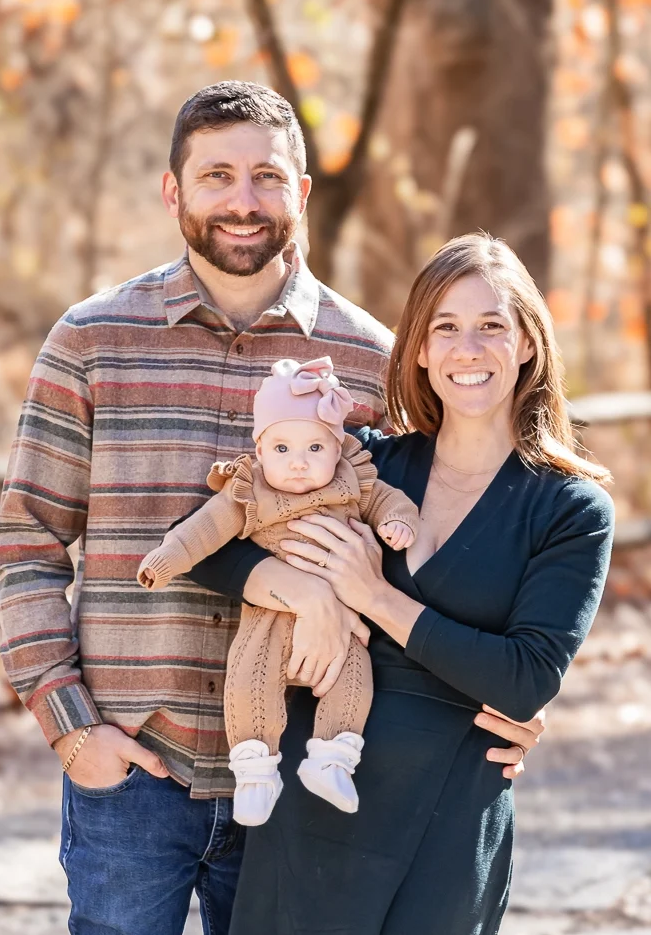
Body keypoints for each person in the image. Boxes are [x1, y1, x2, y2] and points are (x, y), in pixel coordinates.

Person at [0, 81, 543, 935]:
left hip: (307, 781)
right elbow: (25, 543)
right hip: (136, 771)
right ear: (174, 191)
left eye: (266, 177)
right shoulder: (92, 342)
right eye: (216, 176)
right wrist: (71, 725)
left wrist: (509, 694)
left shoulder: (373, 359)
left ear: (302, 191)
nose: (243, 202)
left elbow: (437, 543)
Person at [192, 233, 615, 935]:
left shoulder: (570, 508)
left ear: (529, 344)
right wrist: (301, 591)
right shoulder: (370, 468)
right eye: (444, 327)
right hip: (314, 802)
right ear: (418, 348)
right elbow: (214, 543)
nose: (467, 349)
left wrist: (374, 595)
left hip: (447, 821)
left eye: (491, 327)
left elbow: (525, 678)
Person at [136, 355, 419, 826]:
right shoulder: (250, 489)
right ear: (260, 449)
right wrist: (166, 560)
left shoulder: (354, 481)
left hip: (343, 623)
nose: (299, 463)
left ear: (338, 448)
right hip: (267, 617)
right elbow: (204, 529)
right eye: (282, 449)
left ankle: (331, 760)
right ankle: (254, 773)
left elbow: (393, 501)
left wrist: (396, 522)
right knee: (249, 678)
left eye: (314, 448)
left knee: (353, 678)